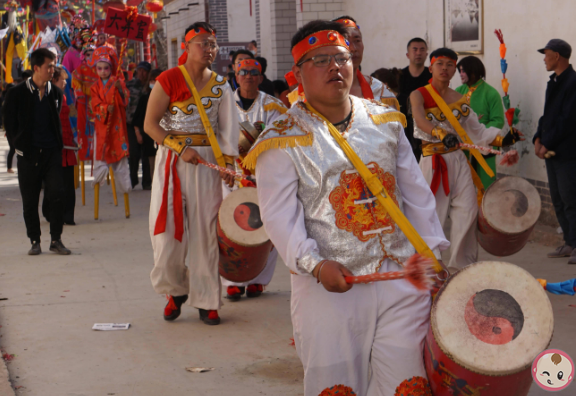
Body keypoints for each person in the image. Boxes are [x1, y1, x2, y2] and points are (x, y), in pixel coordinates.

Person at [242, 20, 449, 395]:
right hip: (330, 285)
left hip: (401, 275)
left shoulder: (385, 119)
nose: (335, 67)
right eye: (319, 60)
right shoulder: (281, 138)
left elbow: (416, 194)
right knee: (336, 384)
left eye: (341, 57)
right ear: (298, 74)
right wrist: (315, 265)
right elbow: (279, 217)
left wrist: (431, 252)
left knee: (408, 381)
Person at [144, 22, 238, 326]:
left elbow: (228, 130)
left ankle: (208, 298)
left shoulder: (222, 85)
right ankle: (175, 291)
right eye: (202, 43)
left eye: (213, 43)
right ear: (186, 46)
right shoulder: (168, 79)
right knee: (166, 233)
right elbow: (151, 125)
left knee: (205, 232)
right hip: (172, 162)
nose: (209, 48)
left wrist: (229, 166)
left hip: (207, 163)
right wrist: (178, 147)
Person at [410, 48, 520, 270]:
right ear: (431, 67)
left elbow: (477, 132)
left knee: (468, 210)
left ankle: (461, 266)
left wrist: (504, 140)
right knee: (434, 213)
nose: (445, 68)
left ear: (455, 69)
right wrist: (441, 133)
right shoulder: (419, 94)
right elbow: (420, 121)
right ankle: (430, 266)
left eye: (450, 64)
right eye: (440, 64)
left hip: (459, 161)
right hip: (434, 162)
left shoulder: (460, 98)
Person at [223, 58, 287, 301]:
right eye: (243, 72)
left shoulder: (274, 107)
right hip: (231, 175)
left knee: (265, 227)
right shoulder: (224, 103)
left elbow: (278, 142)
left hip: (264, 175)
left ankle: (258, 279)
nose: (248, 76)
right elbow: (217, 138)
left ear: (261, 78)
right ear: (236, 76)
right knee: (231, 227)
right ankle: (233, 280)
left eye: (254, 72)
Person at [3, 48, 71, 255]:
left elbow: (55, 119)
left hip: (51, 152)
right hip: (28, 154)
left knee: (57, 193)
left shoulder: (56, 93)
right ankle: (35, 240)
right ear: (36, 68)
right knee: (30, 199)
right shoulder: (16, 94)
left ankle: (56, 239)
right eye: (49, 66)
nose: (53, 70)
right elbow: (9, 123)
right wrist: (18, 146)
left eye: (53, 65)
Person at [533, 39, 576, 264]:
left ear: (557, 55)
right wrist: (538, 137)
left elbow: (568, 120)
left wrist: (548, 143)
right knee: (557, 198)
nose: (544, 59)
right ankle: (568, 241)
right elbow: (548, 115)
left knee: (568, 198)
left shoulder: (574, 83)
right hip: (550, 149)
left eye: (546, 54)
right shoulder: (553, 82)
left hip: (566, 151)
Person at [89, 46, 132, 217]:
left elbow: (126, 99)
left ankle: (127, 207)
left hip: (117, 126)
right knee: (100, 158)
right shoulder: (94, 87)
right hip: (102, 127)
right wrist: (106, 108)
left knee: (121, 164)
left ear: (111, 68)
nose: (103, 71)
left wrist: (120, 90)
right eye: (99, 68)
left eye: (106, 68)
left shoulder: (118, 81)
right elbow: (95, 106)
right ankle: (96, 211)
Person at [456, 55, 505, 189]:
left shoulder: (491, 93)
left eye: (463, 70)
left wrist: (478, 132)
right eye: (459, 71)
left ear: (474, 71)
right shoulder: (457, 92)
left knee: (485, 186)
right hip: (462, 148)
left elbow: (498, 120)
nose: (460, 74)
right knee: (463, 187)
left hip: (485, 146)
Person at [333, 16, 400, 110]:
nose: (353, 48)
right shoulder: (319, 93)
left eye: (357, 41)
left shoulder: (379, 90)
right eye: (346, 42)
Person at [42, 66, 77, 226]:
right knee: (54, 185)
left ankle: (68, 216)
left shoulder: (63, 97)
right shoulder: (45, 98)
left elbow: (68, 122)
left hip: (68, 147)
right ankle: (51, 213)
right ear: (53, 81)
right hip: (54, 148)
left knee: (69, 185)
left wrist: (74, 139)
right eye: (62, 80)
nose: (64, 82)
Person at [399, 38, 431, 159]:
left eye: (422, 50)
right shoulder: (399, 76)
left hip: (427, 126)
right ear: (408, 54)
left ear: (426, 54)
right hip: (404, 127)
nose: (418, 53)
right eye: (415, 49)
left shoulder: (432, 76)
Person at [131, 68, 162, 189]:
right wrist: (138, 133)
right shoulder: (145, 98)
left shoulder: (169, 97)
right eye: (152, 80)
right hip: (149, 136)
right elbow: (137, 119)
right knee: (149, 162)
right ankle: (150, 184)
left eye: (157, 80)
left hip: (165, 137)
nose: (154, 83)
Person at [126, 61, 152, 189]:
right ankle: (132, 180)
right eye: (140, 70)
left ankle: (147, 182)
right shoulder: (130, 85)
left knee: (146, 154)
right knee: (133, 153)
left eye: (145, 71)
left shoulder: (150, 87)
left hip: (147, 123)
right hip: (131, 123)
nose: (142, 73)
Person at [72, 44, 98, 162]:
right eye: (88, 54)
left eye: (92, 54)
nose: (90, 56)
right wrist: (81, 95)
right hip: (85, 103)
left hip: (97, 102)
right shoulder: (81, 69)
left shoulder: (100, 68)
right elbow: (75, 80)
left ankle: (97, 152)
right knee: (84, 127)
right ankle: (85, 152)